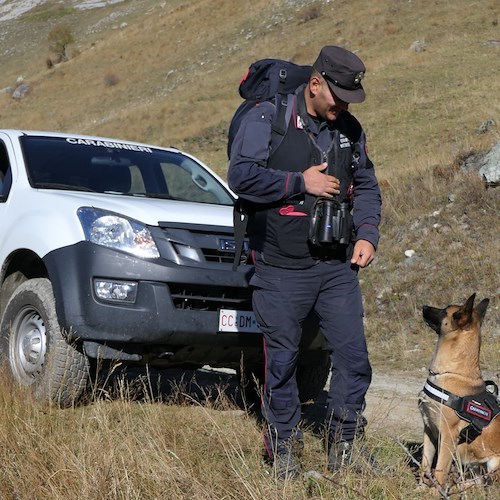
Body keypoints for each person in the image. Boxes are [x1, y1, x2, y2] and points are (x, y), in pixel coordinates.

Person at [227, 45, 382, 479]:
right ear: (315, 84)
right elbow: (240, 176)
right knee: (283, 364)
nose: (344, 107)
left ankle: (345, 445)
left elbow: (367, 186)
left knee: (354, 360)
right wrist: (301, 182)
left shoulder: (349, 129)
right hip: (279, 267)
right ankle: (284, 449)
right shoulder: (267, 118)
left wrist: (367, 235)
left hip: (336, 269)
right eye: (338, 97)